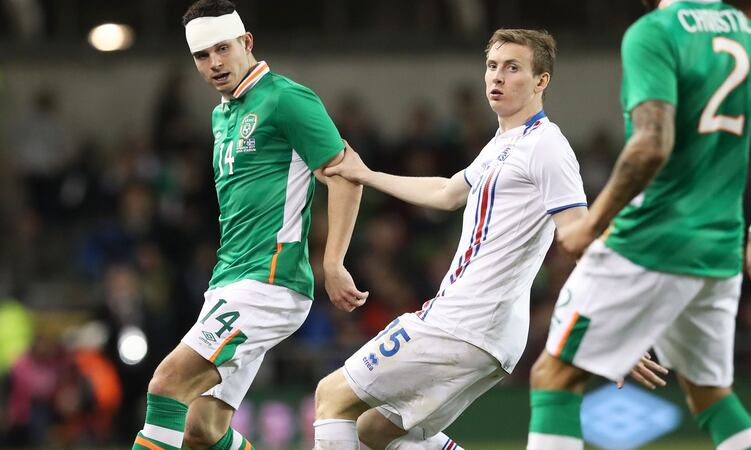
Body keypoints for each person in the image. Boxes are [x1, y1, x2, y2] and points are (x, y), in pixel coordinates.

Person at [313, 29, 665, 450]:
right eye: (492, 66)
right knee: (374, 430)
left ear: (541, 81)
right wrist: (367, 175)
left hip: (467, 320)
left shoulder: (546, 147)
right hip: (488, 334)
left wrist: (615, 323)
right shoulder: (504, 143)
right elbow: (446, 194)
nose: (497, 77)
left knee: (331, 396)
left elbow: (578, 234)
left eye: (513, 67)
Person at [526, 1, 751, 449]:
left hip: (652, 238)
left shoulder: (654, 32)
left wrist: (591, 225)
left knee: (554, 375)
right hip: (720, 247)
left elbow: (652, 145)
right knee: (710, 395)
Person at [131, 1, 368, 449]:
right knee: (201, 430)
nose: (214, 63)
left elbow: (346, 175)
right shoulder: (222, 115)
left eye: (222, 48)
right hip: (228, 281)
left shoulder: (285, 98)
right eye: (202, 55)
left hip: (269, 282)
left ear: (247, 42)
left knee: (166, 384)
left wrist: (333, 261)